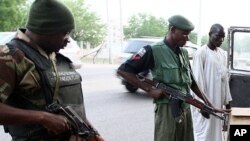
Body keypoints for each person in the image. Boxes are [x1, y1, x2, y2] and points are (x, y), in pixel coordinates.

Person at [0, 0, 104, 140]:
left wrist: (91, 131)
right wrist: (42, 117)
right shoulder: (10, 57)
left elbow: (68, 106)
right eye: (64, 33)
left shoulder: (54, 56)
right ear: (45, 30)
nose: (68, 40)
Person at [117, 15, 226, 141]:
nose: (188, 38)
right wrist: (149, 89)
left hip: (185, 108)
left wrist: (208, 104)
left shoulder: (184, 53)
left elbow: (192, 83)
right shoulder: (153, 50)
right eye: (185, 34)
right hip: (167, 110)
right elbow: (124, 71)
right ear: (172, 30)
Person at [191, 23, 232, 141]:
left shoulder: (222, 54)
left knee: (216, 135)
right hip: (205, 104)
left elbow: (224, 80)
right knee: (204, 134)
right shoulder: (201, 53)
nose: (221, 40)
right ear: (210, 35)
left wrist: (227, 102)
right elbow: (197, 82)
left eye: (223, 37)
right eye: (218, 36)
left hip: (218, 104)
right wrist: (201, 105)